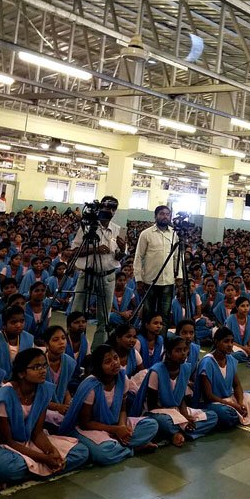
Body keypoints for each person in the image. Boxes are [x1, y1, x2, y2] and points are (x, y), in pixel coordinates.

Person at [0, 348, 89, 485]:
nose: (43, 370)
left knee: (81, 452)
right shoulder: (4, 397)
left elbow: (37, 432)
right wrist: (44, 458)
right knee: (6, 468)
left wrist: (52, 452)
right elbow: (7, 441)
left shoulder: (43, 390)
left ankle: (33, 472)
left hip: (29, 440)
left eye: (44, 365)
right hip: (3, 446)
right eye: (36, 367)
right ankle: (41, 469)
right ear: (21, 373)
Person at [58, 344, 159, 466]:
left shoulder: (122, 377)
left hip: (114, 423)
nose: (115, 363)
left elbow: (123, 409)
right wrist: (115, 430)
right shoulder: (91, 386)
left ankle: (119, 446)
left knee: (151, 425)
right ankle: (133, 448)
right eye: (108, 362)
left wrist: (121, 427)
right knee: (104, 452)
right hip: (91, 428)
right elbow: (85, 423)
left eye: (116, 358)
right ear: (98, 367)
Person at [71, 196, 126, 349]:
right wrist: (95, 249)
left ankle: (98, 349)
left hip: (107, 276)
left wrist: (122, 249)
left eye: (112, 208)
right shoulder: (87, 227)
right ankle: (76, 347)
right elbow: (74, 252)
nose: (109, 210)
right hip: (87, 274)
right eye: (106, 206)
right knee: (78, 312)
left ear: (115, 211)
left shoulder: (118, 230)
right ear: (100, 207)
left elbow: (118, 257)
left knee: (104, 316)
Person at [141, 336, 218, 446]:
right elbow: (152, 406)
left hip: (177, 409)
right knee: (163, 423)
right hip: (160, 412)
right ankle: (181, 431)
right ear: (168, 353)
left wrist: (185, 415)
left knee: (212, 416)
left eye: (185, 350)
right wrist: (180, 419)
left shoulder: (186, 368)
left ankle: (177, 434)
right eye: (178, 350)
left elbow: (180, 398)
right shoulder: (157, 372)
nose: (183, 353)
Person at [194, 327, 250, 429]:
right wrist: (234, 406)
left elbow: (237, 385)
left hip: (229, 398)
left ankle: (240, 414)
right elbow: (208, 396)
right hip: (213, 402)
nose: (230, 345)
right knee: (226, 414)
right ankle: (246, 414)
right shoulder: (207, 362)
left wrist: (240, 403)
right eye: (226, 341)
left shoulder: (230, 359)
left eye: (231, 341)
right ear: (216, 342)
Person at [133, 206, 178, 327]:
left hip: (168, 282)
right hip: (150, 281)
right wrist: (138, 279)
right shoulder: (146, 234)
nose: (165, 216)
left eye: (167, 214)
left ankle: (161, 341)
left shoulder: (174, 234)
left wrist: (179, 277)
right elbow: (138, 257)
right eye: (162, 214)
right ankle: (146, 342)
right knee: (148, 314)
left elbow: (177, 257)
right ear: (156, 216)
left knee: (164, 315)